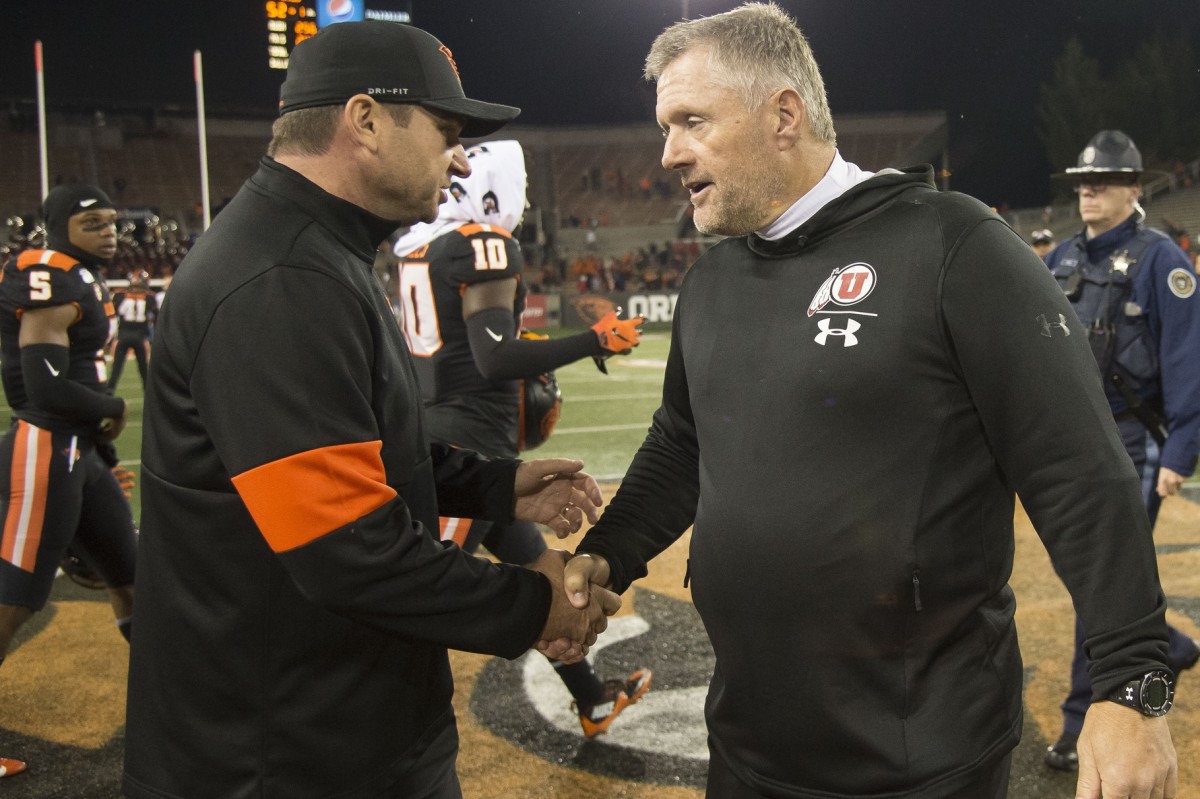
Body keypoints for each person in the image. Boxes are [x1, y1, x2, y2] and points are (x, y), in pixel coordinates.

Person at [561, 5, 1178, 798]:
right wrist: (608, 548)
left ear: (783, 114)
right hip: (748, 742)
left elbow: (1078, 469)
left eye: (690, 121)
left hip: (918, 758)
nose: (668, 153)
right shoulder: (709, 280)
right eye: (664, 126)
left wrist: (1131, 683)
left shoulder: (953, 244)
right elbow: (683, 444)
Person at [123, 21, 619, 799]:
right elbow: (347, 550)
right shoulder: (282, 277)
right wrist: (537, 602)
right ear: (364, 121)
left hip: (326, 726)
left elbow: (361, 447)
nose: (459, 159)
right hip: (285, 754)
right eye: (446, 131)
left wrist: (494, 487)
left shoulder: (316, 250)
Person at [393, 139, 651, 737]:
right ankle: (378, 737)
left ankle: (591, 699)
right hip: (470, 443)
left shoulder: (419, 243)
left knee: (544, 575)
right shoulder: (483, 244)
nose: (526, 198)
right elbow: (492, 357)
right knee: (418, 594)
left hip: (443, 431)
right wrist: (596, 341)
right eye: (521, 184)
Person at [1041, 129, 1200, 772]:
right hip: (1070, 447)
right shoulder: (1058, 261)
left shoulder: (1164, 261)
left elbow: (1189, 364)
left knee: (1101, 583)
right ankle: (1170, 644)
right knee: (1086, 576)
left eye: (1102, 181)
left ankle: (1083, 718)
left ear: (1135, 188)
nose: (1089, 191)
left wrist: (1179, 455)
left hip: (1133, 449)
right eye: (1082, 182)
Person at [0, 184, 138, 780]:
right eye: (93, 222)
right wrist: (112, 409)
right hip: (46, 443)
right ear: (60, 226)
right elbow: (46, 385)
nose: (108, 231)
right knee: (16, 597)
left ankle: (176, 697)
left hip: (79, 449)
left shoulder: (81, 274)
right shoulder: (49, 271)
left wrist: (100, 435)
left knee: (132, 575)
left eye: (112, 222)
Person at [107, 269, 157, 391]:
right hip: (140, 337)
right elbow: (156, 316)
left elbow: (112, 314)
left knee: (116, 370)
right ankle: (149, 399)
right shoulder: (149, 297)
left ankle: (108, 394)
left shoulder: (119, 295)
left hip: (123, 336)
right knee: (144, 371)